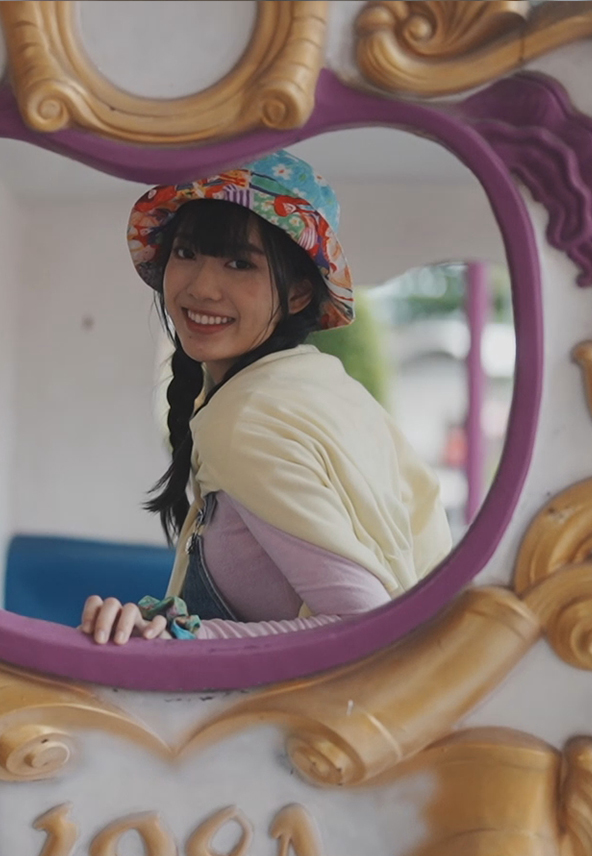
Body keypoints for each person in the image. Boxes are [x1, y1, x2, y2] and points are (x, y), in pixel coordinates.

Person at [80, 151, 452, 645]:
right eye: (187, 253)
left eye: (239, 263)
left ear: (298, 293)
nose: (202, 287)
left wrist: (184, 639)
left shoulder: (248, 418)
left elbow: (358, 626)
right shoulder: (323, 387)